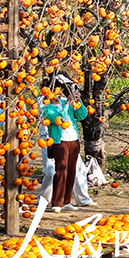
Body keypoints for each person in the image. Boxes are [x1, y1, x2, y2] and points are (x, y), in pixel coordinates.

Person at [40, 73, 88, 213]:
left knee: (72, 171)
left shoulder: (64, 103)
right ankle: (57, 202)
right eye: (54, 91)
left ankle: (67, 201)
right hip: (59, 142)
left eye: (59, 90)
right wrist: (67, 104)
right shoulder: (47, 108)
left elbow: (81, 115)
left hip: (73, 140)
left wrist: (79, 103)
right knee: (61, 170)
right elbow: (58, 121)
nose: (58, 93)